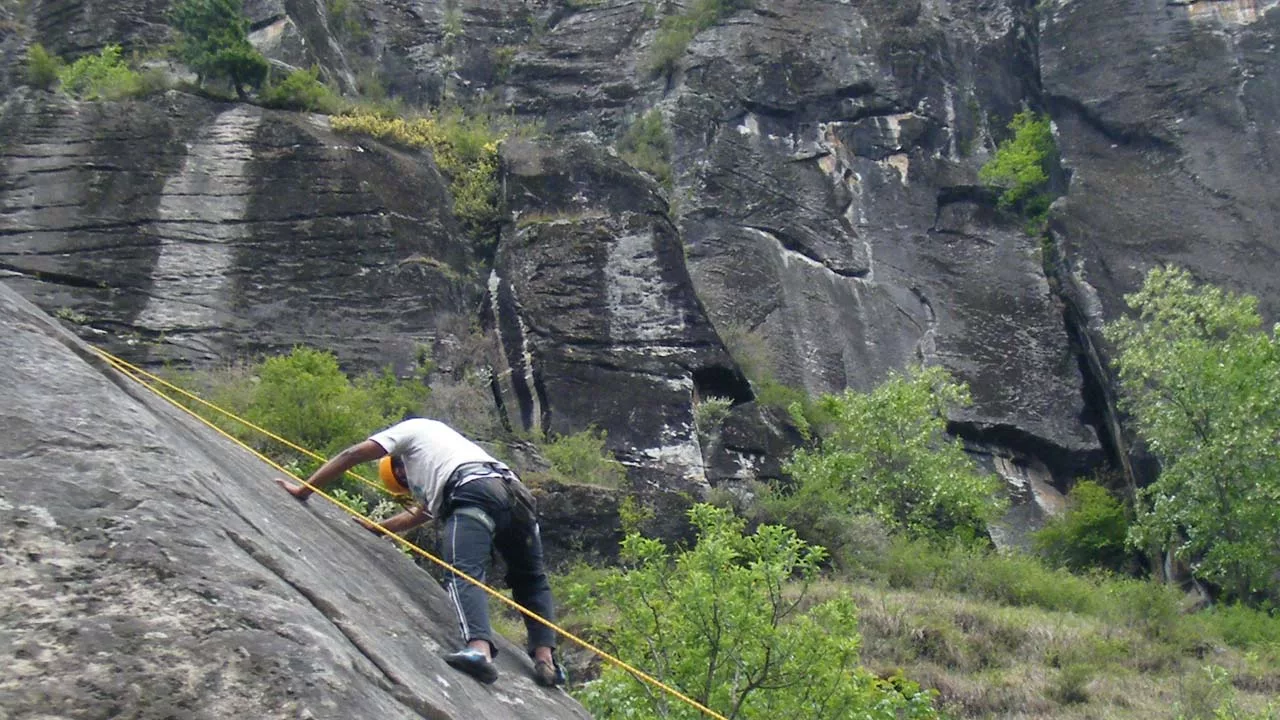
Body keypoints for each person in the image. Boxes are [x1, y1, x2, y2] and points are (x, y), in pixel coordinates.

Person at [275, 417, 566, 687]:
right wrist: (377, 528)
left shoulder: (409, 431)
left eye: (401, 478)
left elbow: (351, 454)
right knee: (531, 580)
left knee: (462, 569)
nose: (405, 481)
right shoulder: (445, 452)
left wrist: (304, 490)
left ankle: (479, 651)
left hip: (474, 490)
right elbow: (418, 515)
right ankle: (546, 659)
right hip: (516, 494)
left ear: (395, 464)